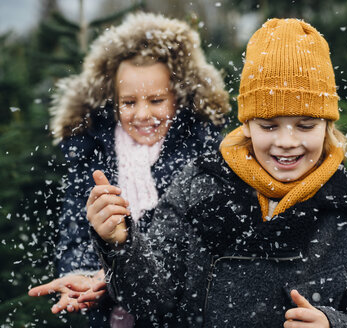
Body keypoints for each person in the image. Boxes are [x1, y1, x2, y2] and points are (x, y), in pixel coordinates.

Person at [88, 18, 347, 327]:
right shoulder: (197, 186)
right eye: (268, 125)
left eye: (306, 125)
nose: (286, 142)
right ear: (247, 124)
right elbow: (151, 303)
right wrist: (120, 243)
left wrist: (333, 324)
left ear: (327, 125)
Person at [28, 12, 230, 327]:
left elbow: (203, 239)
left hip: (183, 310)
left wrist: (125, 274)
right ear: (113, 101)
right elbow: (75, 228)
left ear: (178, 97)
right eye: (129, 102)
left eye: (156, 100)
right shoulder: (92, 152)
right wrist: (82, 275)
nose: (143, 114)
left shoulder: (201, 150)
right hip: (111, 314)